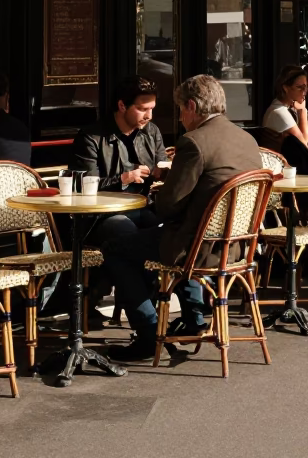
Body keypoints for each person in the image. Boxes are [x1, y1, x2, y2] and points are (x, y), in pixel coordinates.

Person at [102, 75, 261, 362]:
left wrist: (164, 187)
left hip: (196, 248)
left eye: (180, 110)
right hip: (236, 246)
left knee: (116, 249)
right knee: (147, 237)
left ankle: (149, 334)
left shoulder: (194, 142)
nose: (180, 118)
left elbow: (168, 207)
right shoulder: (247, 139)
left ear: (191, 106)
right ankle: (193, 318)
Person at [72, 76, 168, 244]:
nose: (149, 116)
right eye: (142, 109)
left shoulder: (151, 132)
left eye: (152, 108)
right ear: (122, 106)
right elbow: (83, 186)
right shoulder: (91, 137)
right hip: (103, 216)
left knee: (166, 231)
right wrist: (124, 179)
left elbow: (161, 165)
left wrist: (162, 174)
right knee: (127, 234)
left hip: (143, 207)